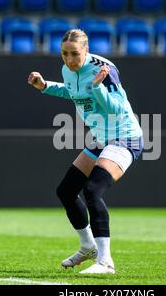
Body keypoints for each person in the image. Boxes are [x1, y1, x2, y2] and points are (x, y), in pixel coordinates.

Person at [27, 29, 143, 274]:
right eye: (64, 54)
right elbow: (73, 93)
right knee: (66, 191)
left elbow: (117, 109)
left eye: (74, 54)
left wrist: (98, 86)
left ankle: (105, 262)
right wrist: (45, 86)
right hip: (101, 138)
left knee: (92, 191)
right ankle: (88, 246)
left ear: (86, 51)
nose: (69, 60)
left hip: (124, 137)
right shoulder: (67, 70)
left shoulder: (105, 69)